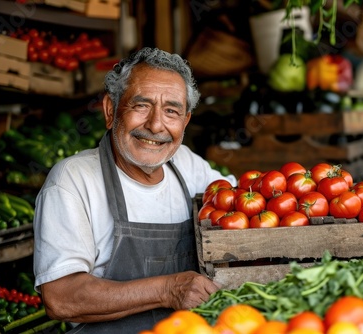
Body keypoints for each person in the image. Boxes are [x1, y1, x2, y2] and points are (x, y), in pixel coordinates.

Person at [32, 47, 237, 333]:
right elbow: (61, 297)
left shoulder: (189, 167)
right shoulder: (73, 180)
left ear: (185, 121)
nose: (155, 125)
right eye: (141, 106)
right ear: (110, 110)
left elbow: (249, 211)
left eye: (171, 111)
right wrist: (167, 289)